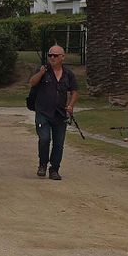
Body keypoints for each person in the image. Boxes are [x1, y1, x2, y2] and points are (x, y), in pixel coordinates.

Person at [27, 46, 77, 180]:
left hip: (60, 114)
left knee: (59, 143)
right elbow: (32, 83)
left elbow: (74, 91)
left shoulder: (68, 74)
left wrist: (71, 105)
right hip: (43, 112)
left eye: (55, 55)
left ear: (62, 57)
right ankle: (42, 164)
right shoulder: (43, 70)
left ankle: (54, 169)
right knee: (44, 138)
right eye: (50, 55)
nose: (52, 58)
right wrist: (40, 73)